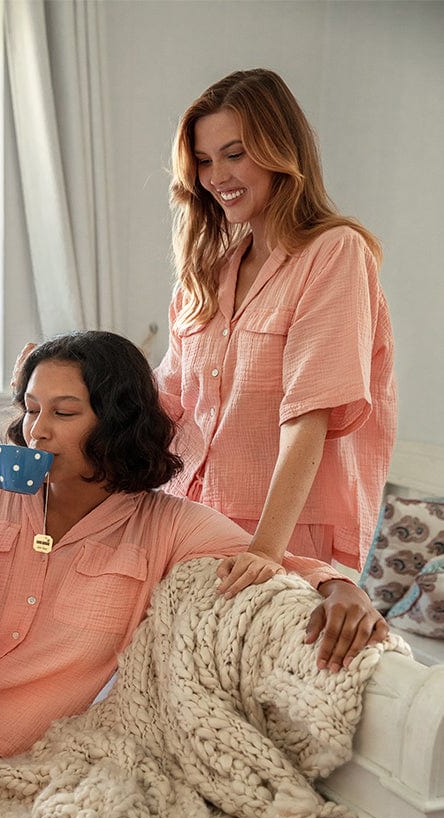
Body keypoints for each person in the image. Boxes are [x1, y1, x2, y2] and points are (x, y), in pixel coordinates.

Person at [0, 332, 388, 818]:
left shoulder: (166, 527)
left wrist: (343, 588)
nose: (37, 432)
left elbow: (277, 562)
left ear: (115, 422)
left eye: (63, 412)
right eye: (31, 409)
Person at [154, 68, 397, 588]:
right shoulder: (205, 272)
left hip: (280, 536)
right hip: (188, 523)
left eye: (234, 153)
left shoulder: (334, 254)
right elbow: (165, 403)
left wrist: (266, 552)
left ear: (279, 150)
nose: (216, 175)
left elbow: (308, 413)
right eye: (203, 160)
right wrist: (54, 391)